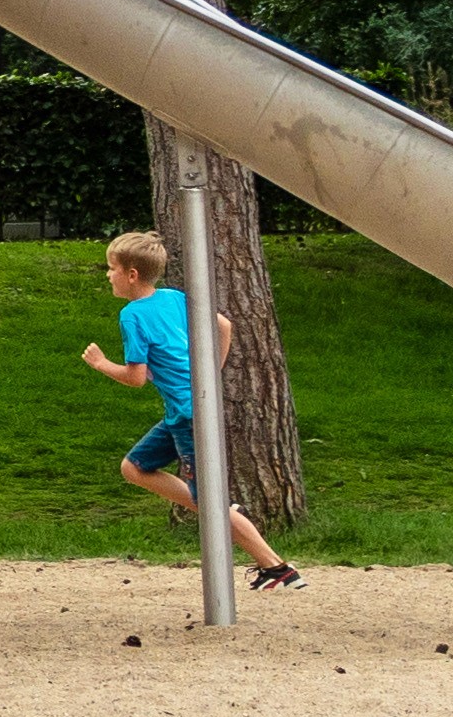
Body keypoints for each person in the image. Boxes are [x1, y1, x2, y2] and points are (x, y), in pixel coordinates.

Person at [79, 228, 302, 590]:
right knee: (134, 467)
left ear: (131, 275)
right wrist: (210, 374)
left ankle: (276, 567)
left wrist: (101, 363)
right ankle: (218, 507)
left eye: (111, 268)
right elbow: (224, 325)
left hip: (188, 416)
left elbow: (136, 378)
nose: (107, 274)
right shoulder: (173, 297)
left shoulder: (132, 315)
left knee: (213, 507)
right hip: (188, 409)